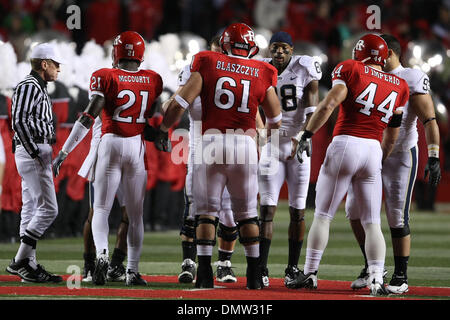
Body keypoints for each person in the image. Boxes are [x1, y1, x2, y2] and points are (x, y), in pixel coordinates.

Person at [149, 23, 281, 289]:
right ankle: (255, 274)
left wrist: (164, 129)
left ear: (224, 43)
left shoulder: (207, 62)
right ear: (252, 46)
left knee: (206, 212)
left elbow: (177, 105)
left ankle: (205, 272)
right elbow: (276, 118)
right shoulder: (263, 71)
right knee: (246, 213)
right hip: (244, 143)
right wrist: (267, 144)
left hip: (210, 141)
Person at [285, 33, 409, 296]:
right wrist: (380, 157)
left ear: (360, 52)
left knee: (323, 215)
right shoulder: (399, 85)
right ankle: (376, 278)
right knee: (372, 222)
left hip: (346, 142)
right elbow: (393, 133)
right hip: (373, 148)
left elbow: (329, 103)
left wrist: (307, 133)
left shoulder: (351, 68)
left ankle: (310, 272)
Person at [52, 31, 163, 286]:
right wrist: (162, 134)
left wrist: (65, 151)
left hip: (110, 143)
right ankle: (132, 271)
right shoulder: (152, 79)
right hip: (136, 146)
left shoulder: (106, 76)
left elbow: (88, 116)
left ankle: (101, 256)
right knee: (136, 215)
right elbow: (154, 115)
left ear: (117, 52)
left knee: (100, 209)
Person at [346, 34, 441, 294]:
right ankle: (372, 266)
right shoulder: (367, 73)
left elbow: (429, 120)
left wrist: (433, 155)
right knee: (354, 210)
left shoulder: (410, 77)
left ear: (387, 53)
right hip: (371, 152)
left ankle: (401, 276)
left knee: (396, 215)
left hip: (399, 155)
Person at [172, 36, 239, 284]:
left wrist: (264, 142)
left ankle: (224, 263)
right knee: (194, 207)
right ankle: (189, 262)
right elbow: (177, 102)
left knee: (229, 211)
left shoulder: (237, 72)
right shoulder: (193, 71)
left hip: (230, 147)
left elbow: (252, 110)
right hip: (199, 147)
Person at [257, 31, 321, 288]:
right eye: (275, 48)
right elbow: (252, 105)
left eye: (284, 48)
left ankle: (292, 267)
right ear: (269, 50)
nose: (279, 52)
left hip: (298, 143)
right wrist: (262, 132)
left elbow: (312, 106)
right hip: (272, 143)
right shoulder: (261, 69)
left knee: (298, 211)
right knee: (267, 210)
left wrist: (303, 135)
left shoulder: (305, 66)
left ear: (292, 50)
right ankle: (260, 267)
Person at [7, 43, 64, 283]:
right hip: (34, 150)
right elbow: (18, 120)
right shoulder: (29, 85)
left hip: (35, 149)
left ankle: (28, 265)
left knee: (31, 207)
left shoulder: (37, 86)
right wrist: (33, 152)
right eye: (56, 64)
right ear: (45, 64)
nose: (59, 69)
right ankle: (20, 260)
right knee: (49, 209)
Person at [78, 117, 129, 283]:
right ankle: (90, 265)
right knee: (95, 212)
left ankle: (115, 266)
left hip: (129, 153)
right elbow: (89, 115)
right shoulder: (103, 92)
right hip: (103, 151)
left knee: (130, 215)